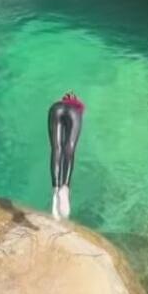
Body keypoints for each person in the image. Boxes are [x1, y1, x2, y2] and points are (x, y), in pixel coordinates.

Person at [48, 92, 85, 220]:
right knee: (69, 148)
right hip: (73, 114)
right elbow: (69, 147)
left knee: (56, 148)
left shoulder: (58, 105)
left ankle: (55, 191)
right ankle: (65, 188)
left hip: (55, 110)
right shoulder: (78, 108)